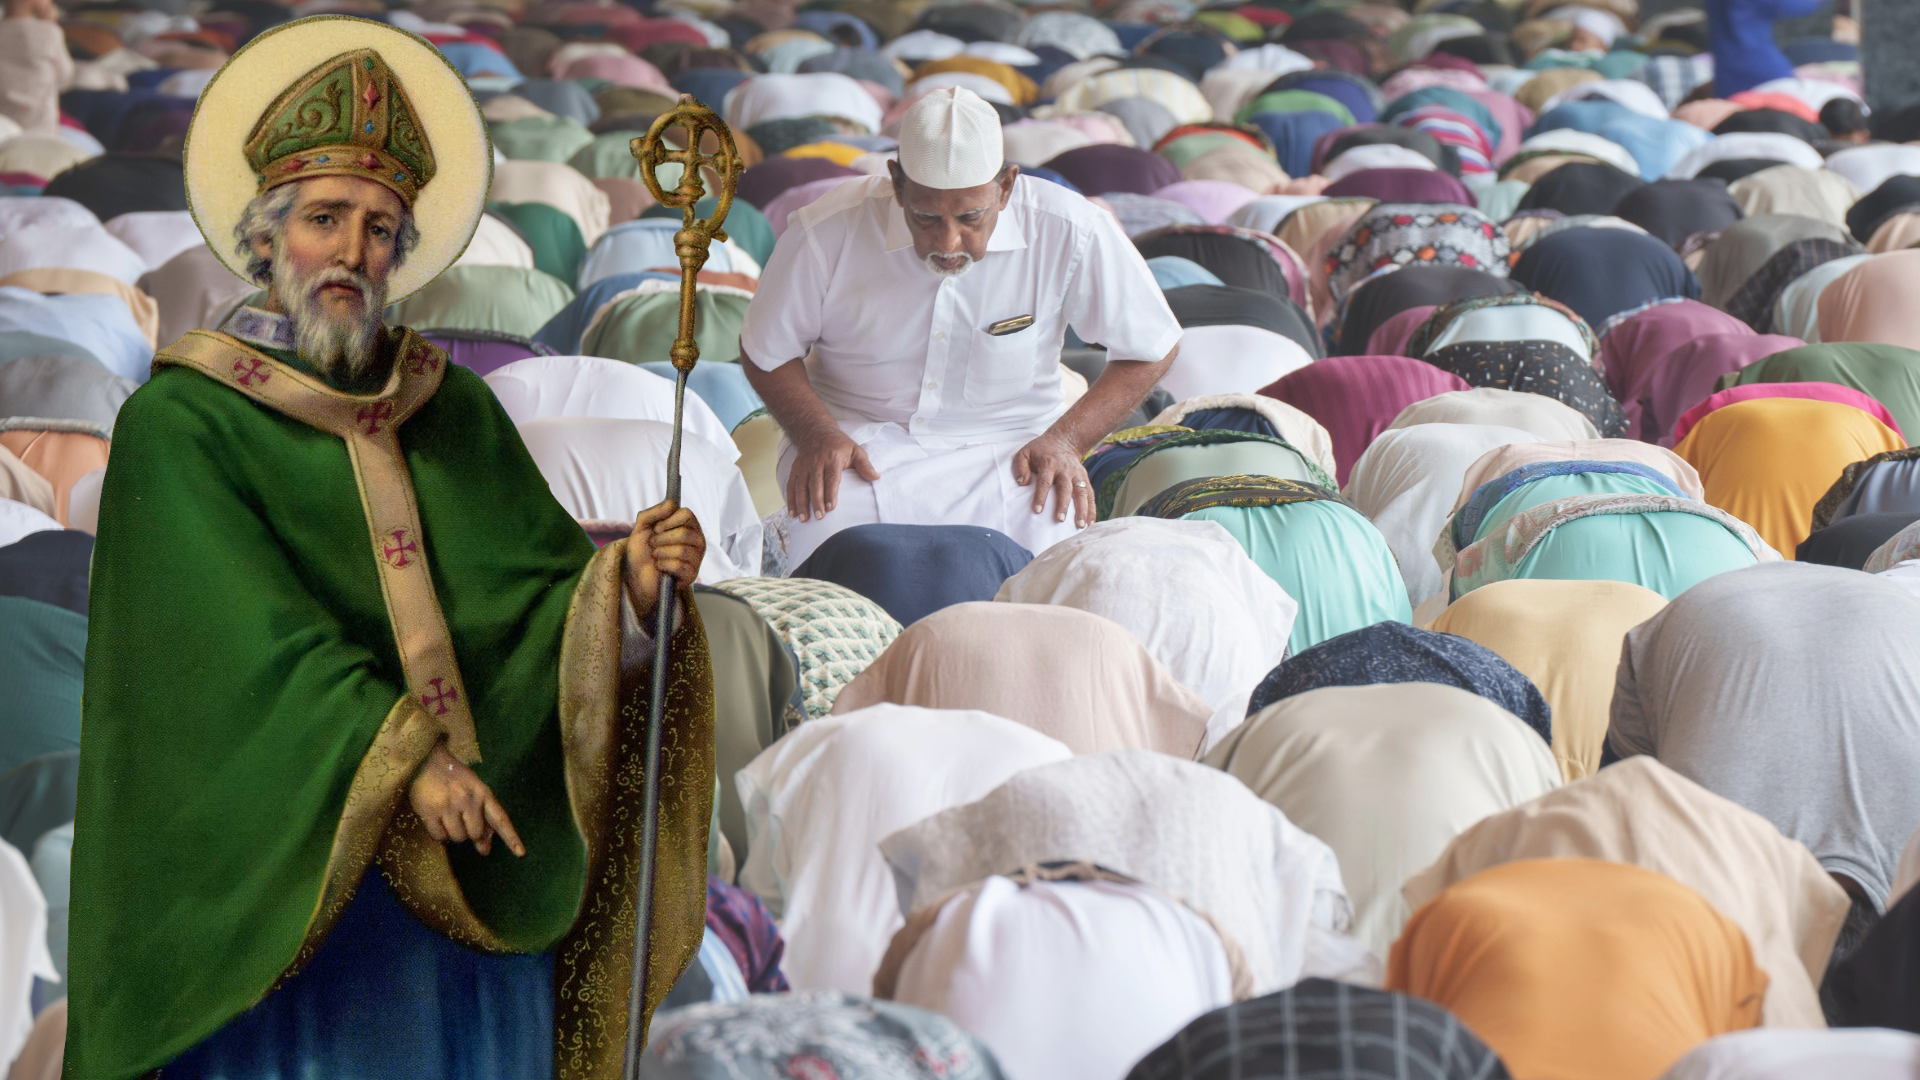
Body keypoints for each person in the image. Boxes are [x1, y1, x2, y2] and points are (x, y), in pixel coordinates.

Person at [66, 19, 716, 1080]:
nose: (355, 253)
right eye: (327, 219)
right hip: (281, 893)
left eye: (382, 228)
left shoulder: (447, 405)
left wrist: (628, 586)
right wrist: (404, 763)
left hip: (473, 873)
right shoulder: (181, 424)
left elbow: (529, 602)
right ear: (266, 235)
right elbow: (234, 649)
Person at [738, 86, 1183, 567]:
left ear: (1007, 186)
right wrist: (816, 434)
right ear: (896, 183)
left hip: (1018, 450)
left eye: (971, 217)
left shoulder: (1070, 227)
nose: (948, 241)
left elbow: (1151, 345)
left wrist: (1066, 441)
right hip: (855, 445)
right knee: (826, 540)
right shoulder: (826, 230)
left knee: (1055, 546)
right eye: (926, 217)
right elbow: (766, 350)